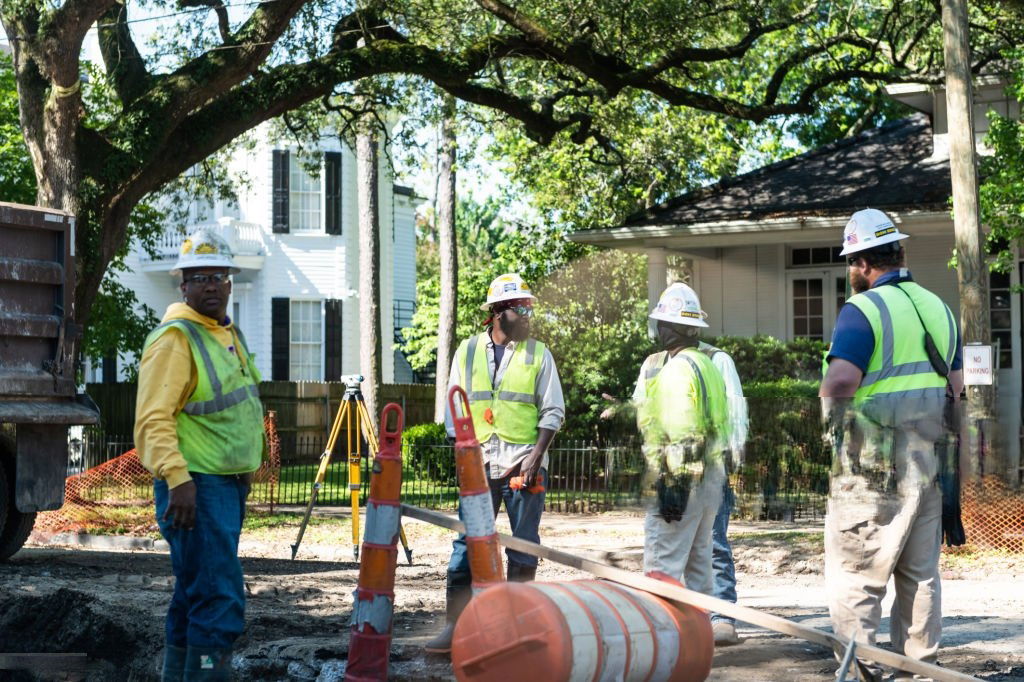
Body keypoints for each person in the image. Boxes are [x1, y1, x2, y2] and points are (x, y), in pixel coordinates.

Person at [820, 209, 962, 680]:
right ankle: (919, 671)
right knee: (919, 575)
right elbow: (955, 387)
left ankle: (859, 670)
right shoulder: (939, 309)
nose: (851, 271)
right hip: (928, 463)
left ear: (862, 262)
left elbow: (841, 382)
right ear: (898, 252)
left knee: (857, 574)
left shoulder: (862, 310)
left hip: (873, 468)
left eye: (851, 262)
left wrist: (832, 428)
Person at [135, 228, 264, 681]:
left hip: (221, 485)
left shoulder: (225, 334)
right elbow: (153, 419)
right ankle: (208, 674)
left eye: (219, 276)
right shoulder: (176, 339)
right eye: (200, 277)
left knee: (194, 594)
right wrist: (178, 479)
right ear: (183, 285)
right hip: (196, 487)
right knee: (218, 598)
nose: (212, 286)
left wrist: (244, 469)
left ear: (230, 282)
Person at [425, 273, 564, 654]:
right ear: (500, 312)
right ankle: (455, 626)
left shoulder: (539, 354)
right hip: (480, 464)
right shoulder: (467, 351)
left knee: (524, 545)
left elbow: (553, 410)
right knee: (466, 543)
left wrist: (536, 457)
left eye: (530, 308)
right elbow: (454, 409)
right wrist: (463, 456)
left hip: (524, 465)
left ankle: (518, 627)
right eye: (522, 309)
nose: (529, 316)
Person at [633, 283, 730, 602]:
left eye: (662, 322)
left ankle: (663, 631)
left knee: (662, 568)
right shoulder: (707, 364)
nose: (659, 328)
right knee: (699, 567)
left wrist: (672, 483)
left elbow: (681, 430)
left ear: (672, 328)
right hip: (709, 478)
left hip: (682, 479)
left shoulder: (677, 369)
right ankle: (698, 631)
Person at [698, 339, 747, 646]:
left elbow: (735, 412)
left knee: (713, 542)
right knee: (672, 549)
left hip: (710, 467)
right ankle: (683, 616)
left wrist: (730, 458)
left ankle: (722, 616)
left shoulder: (717, 360)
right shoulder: (656, 363)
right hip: (669, 471)